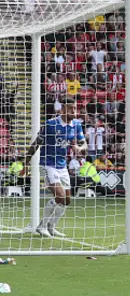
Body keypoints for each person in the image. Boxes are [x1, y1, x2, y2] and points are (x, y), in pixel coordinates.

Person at [21, 99, 87, 238]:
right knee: (60, 196)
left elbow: (84, 145)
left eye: (75, 109)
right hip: (48, 164)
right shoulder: (51, 124)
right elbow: (36, 143)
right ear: (62, 110)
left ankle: (51, 227)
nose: (74, 112)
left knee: (67, 200)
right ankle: (42, 226)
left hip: (62, 166)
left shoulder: (76, 125)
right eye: (71, 109)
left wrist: (79, 148)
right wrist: (25, 163)